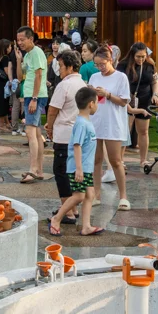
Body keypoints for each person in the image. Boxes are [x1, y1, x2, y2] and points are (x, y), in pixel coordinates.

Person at [49, 86, 102, 237]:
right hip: (78, 168)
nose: (97, 105)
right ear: (91, 104)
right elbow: (76, 146)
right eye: (97, 102)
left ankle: (86, 226)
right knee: (79, 196)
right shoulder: (81, 123)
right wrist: (79, 168)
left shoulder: (86, 122)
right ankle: (56, 219)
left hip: (85, 167)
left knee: (89, 194)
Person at [46, 52, 88, 236]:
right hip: (79, 134)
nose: (59, 69)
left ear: (70, 67)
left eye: (61, 65)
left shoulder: (65, 85)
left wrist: (49, 127)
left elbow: (53, 110)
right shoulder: (83, 84)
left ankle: (68, 211)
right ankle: (73, 208)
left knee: (61, 172)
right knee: (72, 173)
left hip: (64, 135)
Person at [88, 46, 131, 211]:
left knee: (116, 161)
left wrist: (107, 94)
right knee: (95, 160)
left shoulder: (121, 78)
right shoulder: (94, 76)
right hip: (96, 121)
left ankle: (123, 196)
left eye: (102, 64)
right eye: (97, 65)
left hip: (113, 123)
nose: (100, 68)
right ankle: (96, 195)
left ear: (110, 60)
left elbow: (124, 101)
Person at [14, 27, 49, 182]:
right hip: (29, 94)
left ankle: (32, 169)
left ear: (30, 39)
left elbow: (39, 75)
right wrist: (18, 59)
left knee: (30, 132)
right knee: (36, 134)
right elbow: (20, 77)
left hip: (35, 96)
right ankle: (39, 170)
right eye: (18, 40)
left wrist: (34, 98)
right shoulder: (28, 55)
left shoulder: (37, 53)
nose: (20, 42)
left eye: (22, 39)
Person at [121, 42, 158, 173]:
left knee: (143, 131)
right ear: (132, 54)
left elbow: (155, 81)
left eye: (143, 56)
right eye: (138, 56)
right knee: (125, 130)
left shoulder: (150, 65)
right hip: (128, 99)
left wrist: (155, 94)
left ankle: (143, 159)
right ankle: (120, 160)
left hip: (145, 99)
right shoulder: (123, 65)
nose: (141, 59)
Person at [0, 35, 17, 133]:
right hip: (3, 82)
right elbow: (7, 72)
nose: (10, 48)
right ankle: (1, 123)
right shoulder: (6, 58)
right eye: (9, 47)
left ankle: (6, 122)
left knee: (4, 102)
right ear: (5, 48)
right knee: (3, 103)